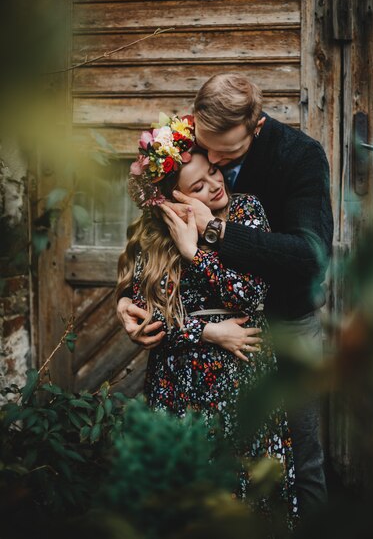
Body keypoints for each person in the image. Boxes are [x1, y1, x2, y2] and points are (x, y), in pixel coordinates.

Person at [117, 74, 334, 518]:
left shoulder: (300, 156)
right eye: (205, 144)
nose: (212, 159)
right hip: (203, 341)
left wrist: (213, 231)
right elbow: (151, 242)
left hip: (286, 321)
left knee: (300, 459)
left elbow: (311, 255)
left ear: (256, 126)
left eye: (224, 156)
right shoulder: (189, 146)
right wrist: (126, 297)